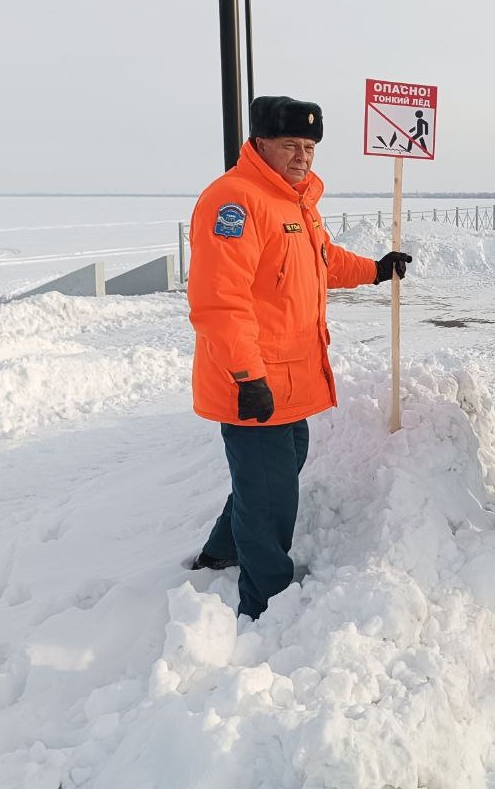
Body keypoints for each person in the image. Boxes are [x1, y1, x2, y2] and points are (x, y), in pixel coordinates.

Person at [186, 95, 412, 620]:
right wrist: (247, 375)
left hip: (289, 379)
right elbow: (220, 302)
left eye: (310, 146)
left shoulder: (295, 204)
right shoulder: (235, 203)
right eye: (291, 144)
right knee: (271, 493)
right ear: (260, 143)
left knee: (280, 468)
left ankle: (225, 549)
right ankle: (267, 598)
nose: (303, 156)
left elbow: (323, 260)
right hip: (254, 380)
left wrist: (375, 270)